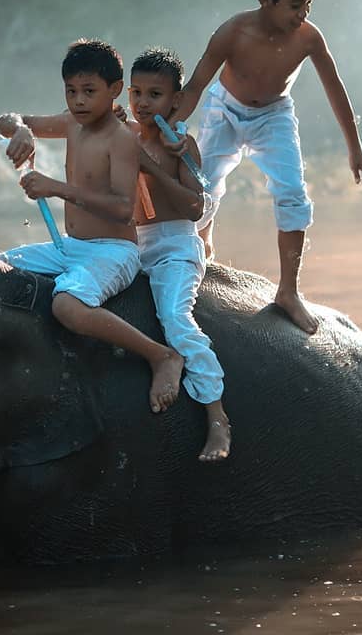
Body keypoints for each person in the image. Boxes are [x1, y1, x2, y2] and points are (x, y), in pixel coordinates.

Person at [166, 0, 362, 335]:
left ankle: (289, 291)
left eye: (308, 3)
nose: (302, 13)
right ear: (264, 0)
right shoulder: (233, 32)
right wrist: (168, 125)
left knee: (292, 194)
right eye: (294, 5)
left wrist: (355, 149)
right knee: (204, 189)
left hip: (274, 116)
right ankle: (201, 246)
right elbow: (197, 85)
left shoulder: (308, 38)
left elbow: (335, 89)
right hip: (226, 110)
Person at [0, 38, 185, 414]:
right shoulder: (71, 123)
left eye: (89, 92)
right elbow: (5, 119)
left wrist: (55, 188)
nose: (78, 101)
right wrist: (20, 129)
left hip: (113, 250)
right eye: (71, 91)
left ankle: (161, 355)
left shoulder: (122, 139)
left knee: (67, 305)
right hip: (71, 245)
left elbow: (120, 207)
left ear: (115, 91)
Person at [127, 47, 230, 461]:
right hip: (132, 244)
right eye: (136, 92)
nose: (143, 103)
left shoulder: (181, 146)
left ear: (174, 101)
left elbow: (194, 207)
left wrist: (151, 168)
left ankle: (218, 418)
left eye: (154, 95)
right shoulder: (124, 137)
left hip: (174, 245)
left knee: (174, 317)